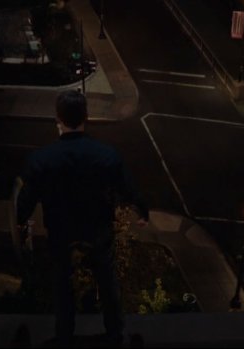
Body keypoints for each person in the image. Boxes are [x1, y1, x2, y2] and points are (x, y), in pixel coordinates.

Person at [15, 90, 149, 346]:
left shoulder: (41, 159)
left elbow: (27, 199)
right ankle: (114, 331)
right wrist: (141, 209)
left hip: (60, 230)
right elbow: (127, 188)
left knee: (62, 281)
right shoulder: (106, 155)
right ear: (86, 116)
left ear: (58, 118)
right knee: (107, 279)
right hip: (97, 227)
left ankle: (65, 332)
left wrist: (21, 220)